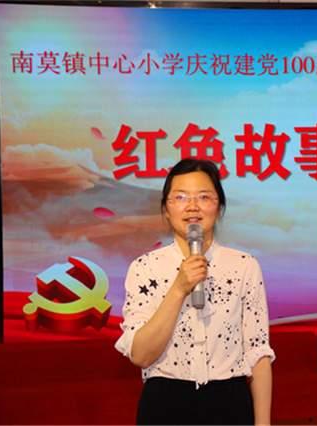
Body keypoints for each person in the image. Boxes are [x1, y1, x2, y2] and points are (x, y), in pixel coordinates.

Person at [115, 158, 275, 425]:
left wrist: (263, 423)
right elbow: (141, 355)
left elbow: (258, 353)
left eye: (204, 197)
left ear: (219, 207)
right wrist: (179, 288)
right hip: (165, 402)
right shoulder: (145, 268)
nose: (192, 206)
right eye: (180, 197)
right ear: (166, 209)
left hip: (229, 401)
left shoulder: (244, 266)